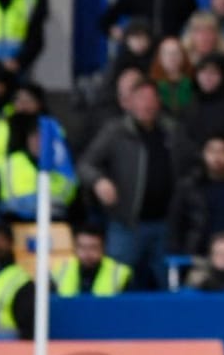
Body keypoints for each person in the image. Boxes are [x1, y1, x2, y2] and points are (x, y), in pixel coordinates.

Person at [80, 78, 190, 289]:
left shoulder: (172, 131)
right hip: (127, 224)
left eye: (151, 99)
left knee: (169, 283)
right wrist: (99, 181)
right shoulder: (115, 132)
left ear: (158, 102)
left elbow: (189, 166)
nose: (147, 105)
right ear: (128, 103)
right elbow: (85, 164)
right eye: (140, 99)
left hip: (165, 224)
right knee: (113, 284)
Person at [0, 112, 77, 221]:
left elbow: (67, 199)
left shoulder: (63, 164)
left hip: (55, 223)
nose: (39, 142)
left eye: (44, 137)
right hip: (16, 222)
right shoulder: (12, 162)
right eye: (34, 136)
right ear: (27, 139)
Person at [55, 224, 133, 297]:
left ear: (103, 248)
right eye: (82, 247)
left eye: (93, 247)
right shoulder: (60, 271)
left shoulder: (121, 273)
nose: (87, 253)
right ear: (75, 248)